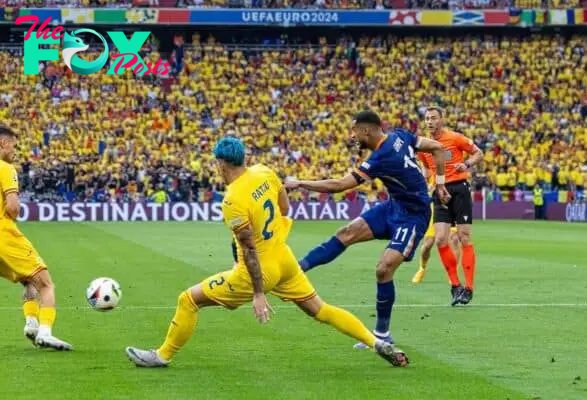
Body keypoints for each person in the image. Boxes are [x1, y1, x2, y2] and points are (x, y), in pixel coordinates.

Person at [125, 137, 409, 368]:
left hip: (257, 272)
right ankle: (376, 342)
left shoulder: (233, 199)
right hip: (284, 258)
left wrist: (259, 293)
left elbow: (248, 250)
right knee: (320, 310)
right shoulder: (264, 172)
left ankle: (162, 355)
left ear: (222, 164)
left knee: (187, 300)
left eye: (216, 163)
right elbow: (284, 208)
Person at [285, 110, 450, 348]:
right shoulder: (401, 136)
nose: (352, 136)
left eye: (354, 131)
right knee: (346, 233)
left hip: (413, 216)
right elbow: (436, 147)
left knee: (384, 269)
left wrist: (300, 183)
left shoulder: (380, 156)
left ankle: (382, 333)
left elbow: (340, 185)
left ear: (366, 130)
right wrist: (441, 184)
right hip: (393, 206)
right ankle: (296, 270)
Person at [0, 125, 72, 350]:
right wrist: (16, 208)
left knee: (28, 279)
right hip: (4, 235)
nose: (15, 150)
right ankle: (45, 332)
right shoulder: (5, 168)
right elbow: (12, 208)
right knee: (46, 283)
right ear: (3, 143)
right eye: (13, 144)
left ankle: (31, 323)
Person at [417, 107, 483, 306]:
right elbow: (427, 169)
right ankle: (455, 286)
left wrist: (467, 164)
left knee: (463, 237)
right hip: (439, 190)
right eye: (427, 118)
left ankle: (469, 289)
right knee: (440, 239)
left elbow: (478, 153)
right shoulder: (422, 145)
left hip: (459, 188)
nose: (429, 121)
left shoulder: (454, 138)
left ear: (441, 120)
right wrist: (423, 182)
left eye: (433, 118)